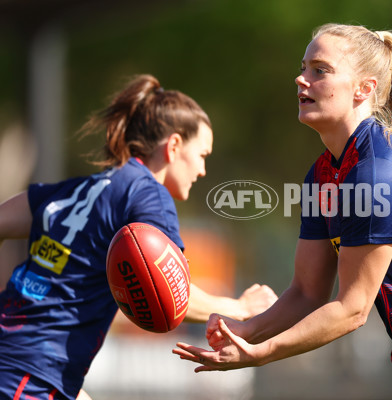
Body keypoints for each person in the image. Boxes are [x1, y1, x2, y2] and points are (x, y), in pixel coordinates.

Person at [173, 23, 392, 400]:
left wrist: (260, 354)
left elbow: (351, 310)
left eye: (320, 70)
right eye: (303, 67)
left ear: (364, 89)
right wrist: (244, 331)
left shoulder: (378, 173)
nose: (301, 79)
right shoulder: (322, 176)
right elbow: (306, 292)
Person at [0, 74, 277, 400]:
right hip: (31, 374)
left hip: (21, 358)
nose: (202, 170)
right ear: (174, 146)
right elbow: (172, 294)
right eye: (202, 154)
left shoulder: (79, 189)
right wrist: (240, 306)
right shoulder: (148, 195)